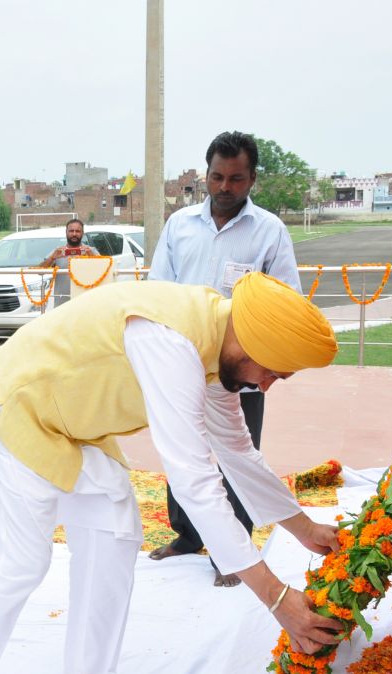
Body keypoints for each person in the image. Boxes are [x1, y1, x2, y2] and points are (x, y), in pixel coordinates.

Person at [0, 272, 341, 674]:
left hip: (74, 427)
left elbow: (235, 451)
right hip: (22, 409)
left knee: (116, 536)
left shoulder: (216, 345)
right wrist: (274, 596)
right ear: (251, 341)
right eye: (271, 372)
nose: (265, 387)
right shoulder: (169, 339)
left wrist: (303, 527)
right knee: (18, 565)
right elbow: (192, 478)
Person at [148, 131, 301, 587]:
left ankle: (231, 552)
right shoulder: (180, 225)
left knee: (238, 454)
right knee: (183, 449)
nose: (224, 187)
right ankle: (188, 535)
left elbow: (285, 299)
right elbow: (159, 289)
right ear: (206, 175)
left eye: (236, 179)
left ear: (252, 178)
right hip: (184, 362)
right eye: (217, 177)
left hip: (240, 365)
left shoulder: (269, 231)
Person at [40, 218, 99, 306]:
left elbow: (104, 271)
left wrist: (92, 256)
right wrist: (52, 258)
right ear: (66, 232)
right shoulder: (58, 252)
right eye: (71, 231)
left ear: (82, 233)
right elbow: (39, 270)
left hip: (86, 302)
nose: (74, 234)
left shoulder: (91, 251)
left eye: (77, 231)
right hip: (62, 303)